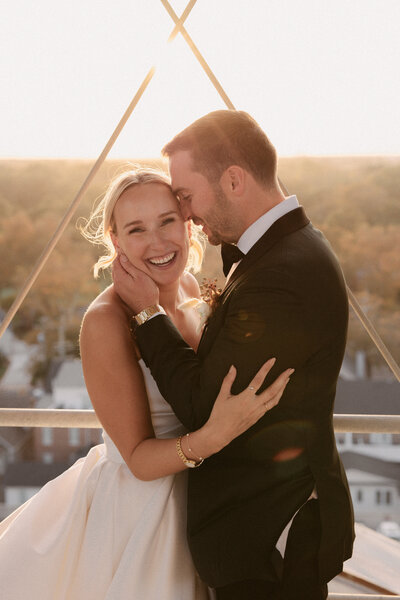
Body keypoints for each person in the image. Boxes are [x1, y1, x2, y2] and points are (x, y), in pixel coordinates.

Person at [0, 168, 292, 600]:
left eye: (167, 220)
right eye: (137, 229)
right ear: (116, 241)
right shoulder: (104, 322)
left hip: (207, 502)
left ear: (187, 222)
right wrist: (214, 437)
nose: (157, 242)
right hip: (140, 513)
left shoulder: (191, 286)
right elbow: (136, 458)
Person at [112, 111, 355, 600]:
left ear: (234, 180)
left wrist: (146, 316)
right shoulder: (283, 252)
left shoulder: (281, 274)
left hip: (270, 539)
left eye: (184, 196)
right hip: (260, 534)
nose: (185, 214)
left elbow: (204, 405)